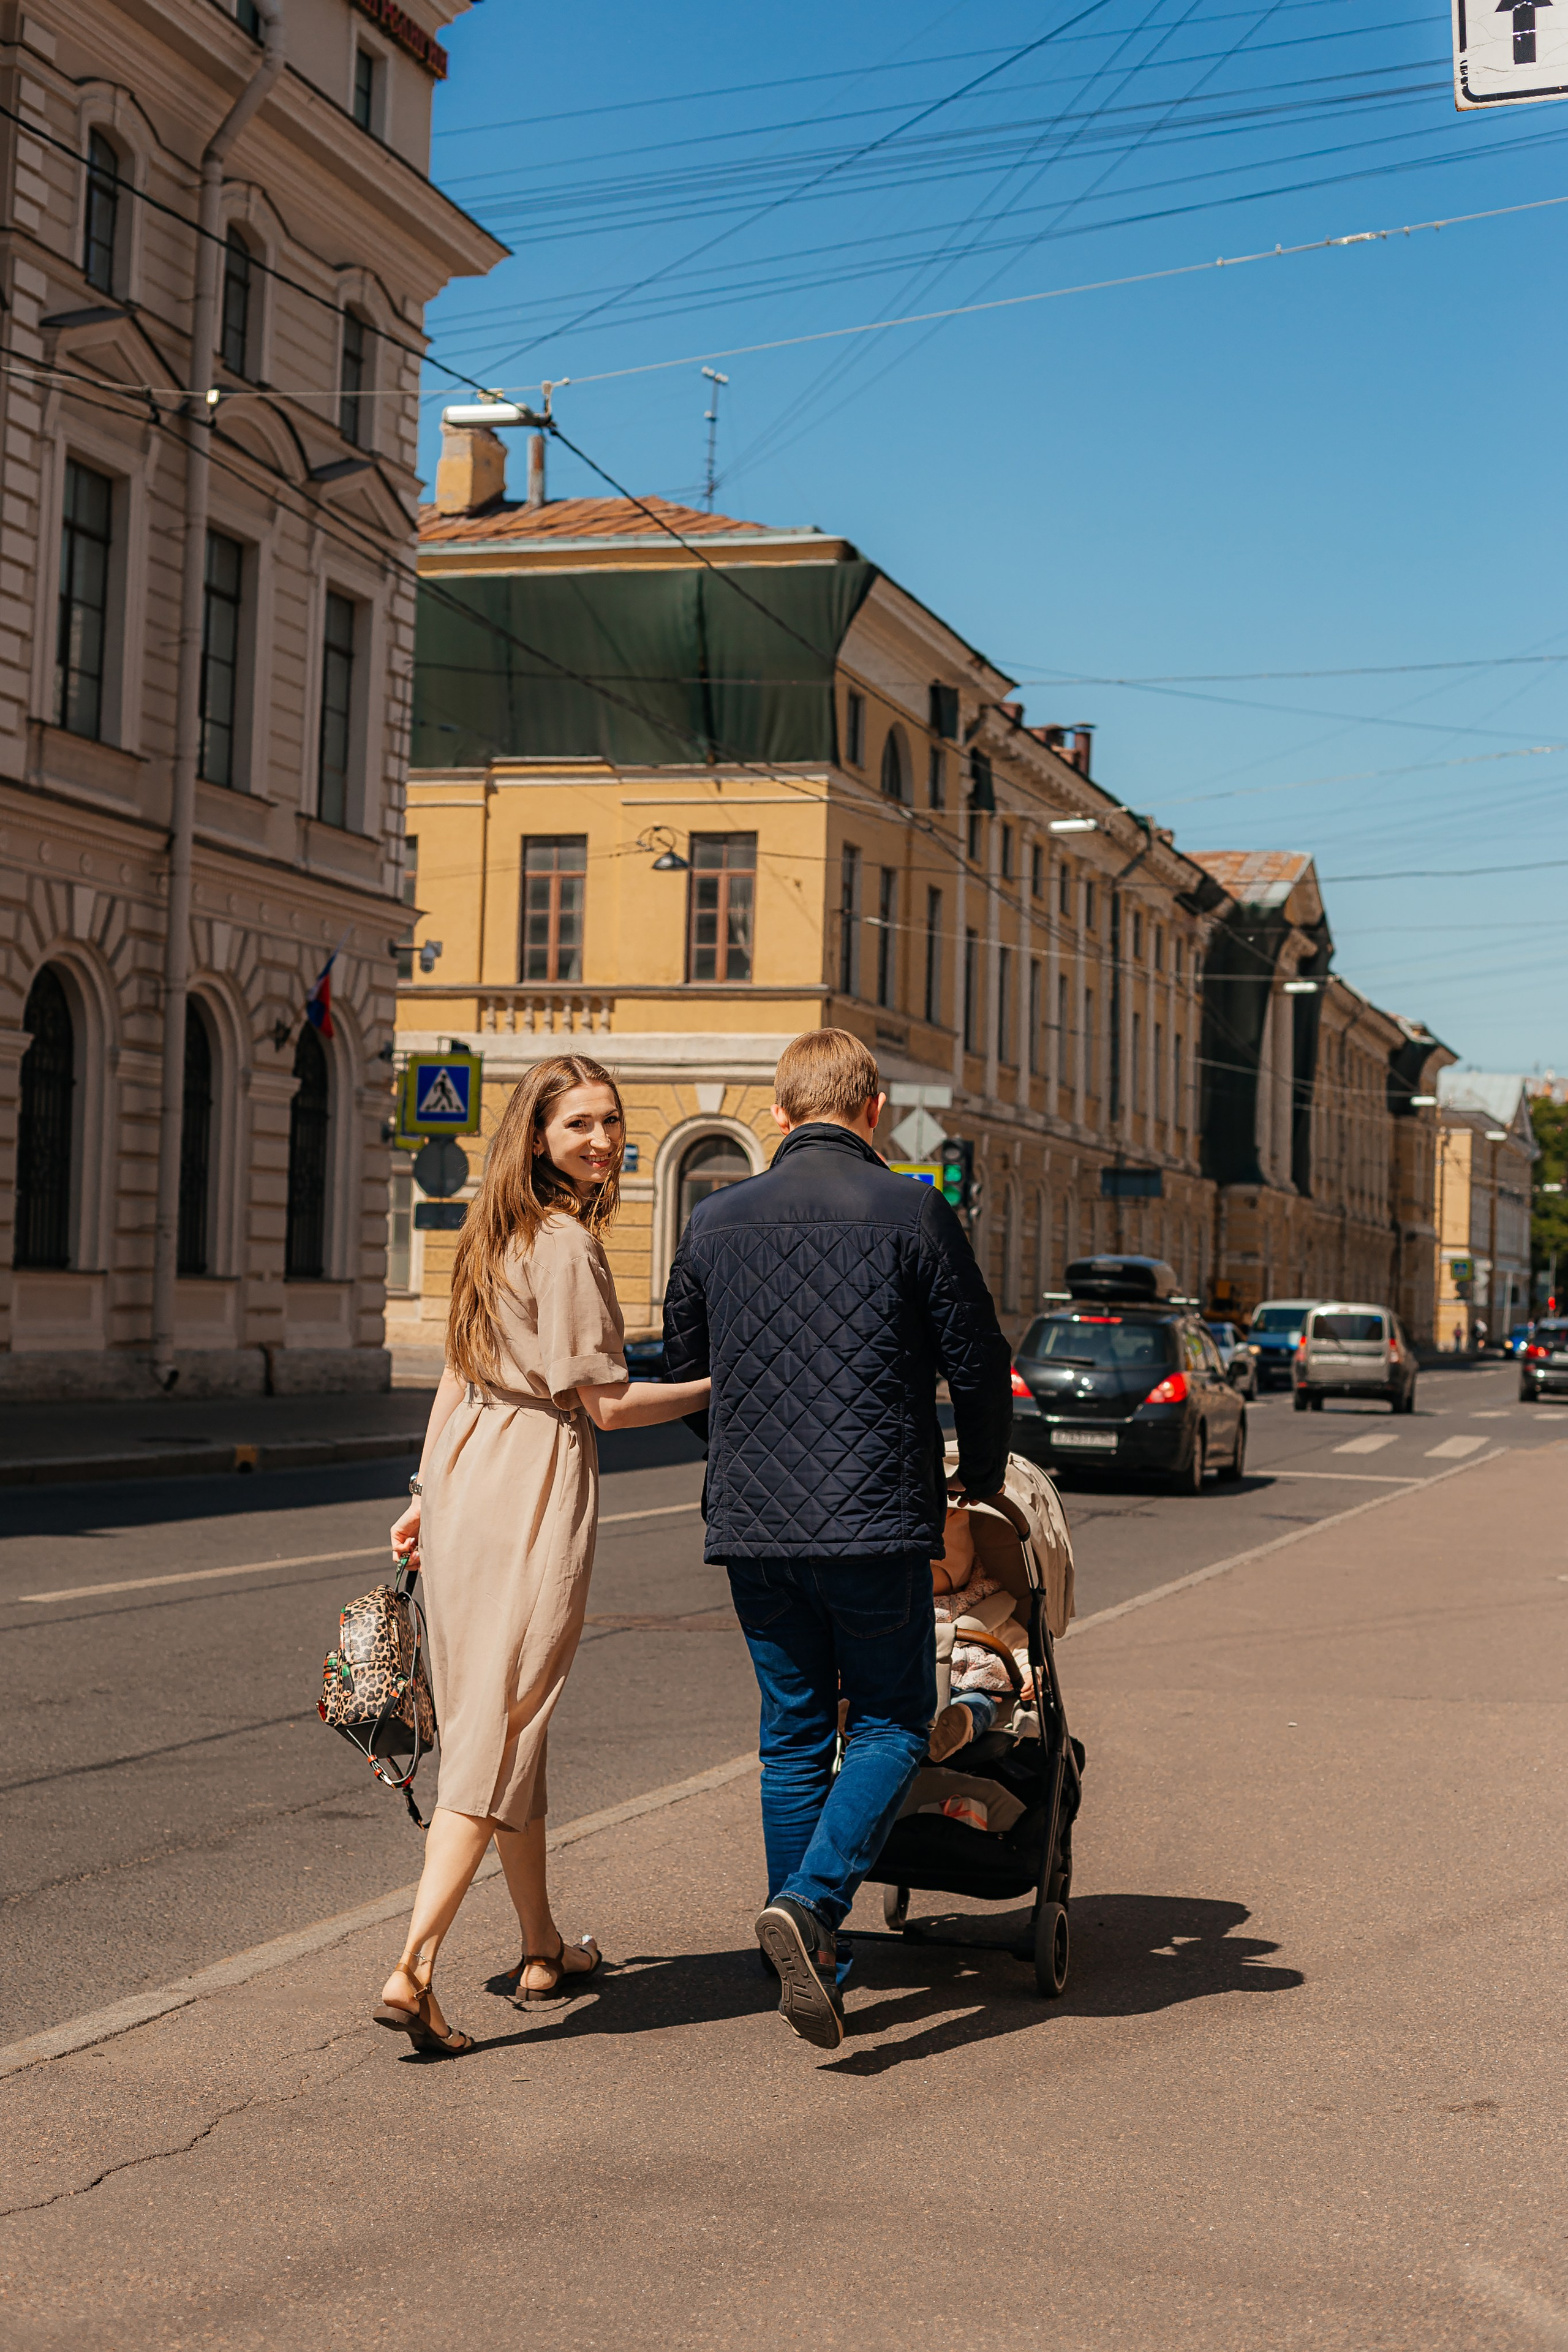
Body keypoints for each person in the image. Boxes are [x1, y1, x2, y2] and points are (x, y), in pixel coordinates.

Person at [663, 1030, 1012, 2051]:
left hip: (755, 1519)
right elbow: (979, 1360)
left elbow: (685, 1369)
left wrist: (746, 1445)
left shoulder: (713, 1218)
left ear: (779, 1113)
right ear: (871, 1111)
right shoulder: (912, 1208)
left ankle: (805, 1951)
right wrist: (978, 1477)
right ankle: (811, 1909)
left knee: (793, 1732)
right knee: (899, 1720)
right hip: (874, 1518)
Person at [375, 1054, 710, 2056]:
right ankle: (415, 1965)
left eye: (612, 1122)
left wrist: (426, 1495)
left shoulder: (495, 1232)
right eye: (581, 1126)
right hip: (530, 1482)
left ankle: (541, 1945)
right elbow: (603, 1402)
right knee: (502, 1722)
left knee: (513, 1717)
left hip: (471, 1473)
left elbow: (454, 1378)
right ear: (538, 1138)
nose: (603, 1141)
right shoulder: (564, 1241)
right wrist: (721, 1385)